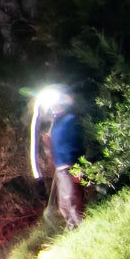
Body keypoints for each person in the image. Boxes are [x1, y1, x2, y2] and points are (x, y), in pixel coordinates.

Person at [38, 91, 87, 229]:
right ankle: (73, 229)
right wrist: (48, 144)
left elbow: (75, 144)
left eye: (56, 104)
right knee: (64, 205)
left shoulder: (70, 120)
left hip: (70, 166)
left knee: (73, 200)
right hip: (60, 168)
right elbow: (53, 151)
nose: (53, 107)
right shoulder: (54, 125)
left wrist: (77, 169)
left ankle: (82, 228)